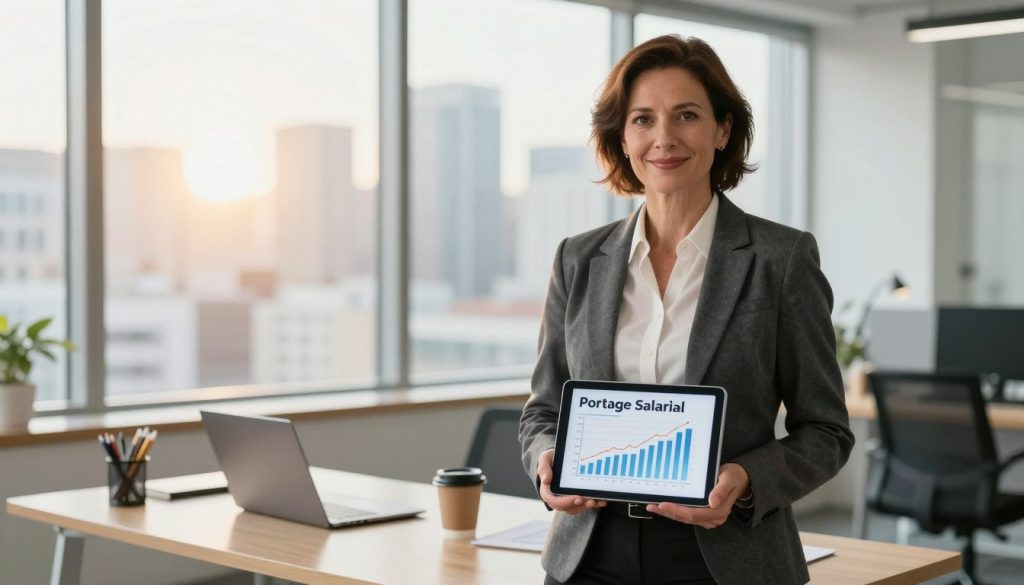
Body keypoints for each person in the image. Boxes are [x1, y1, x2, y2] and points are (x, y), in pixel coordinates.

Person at [519, 35, 855, 585]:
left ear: (723, 130)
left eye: (687, 115)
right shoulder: (578, 259)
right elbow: (542, 410)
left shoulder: (780, 260)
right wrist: (546, 458)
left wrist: (745, 478)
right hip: (589, 557)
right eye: (643, 119)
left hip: (726, 560)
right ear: (622, 138)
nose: (664, 138)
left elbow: (826, 430)